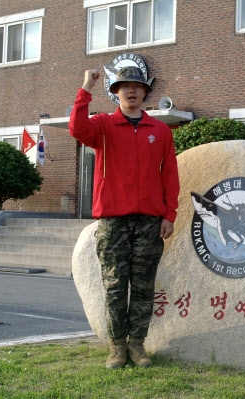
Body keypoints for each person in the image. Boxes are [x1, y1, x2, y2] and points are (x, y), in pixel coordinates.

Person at [68, 66, 180, 369]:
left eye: (137, 87)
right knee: (115, 286)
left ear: (145, 92)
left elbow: (170, 175)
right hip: (113, 221)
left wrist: (169, 215)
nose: (131, 91)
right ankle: (117, 347)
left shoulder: (160, 130)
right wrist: (85, 89)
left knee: (143, 286)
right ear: (115, 91)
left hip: (149, 222)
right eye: (124, 86)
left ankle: (137, 346)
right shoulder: (103, 126)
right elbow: (77, 130)